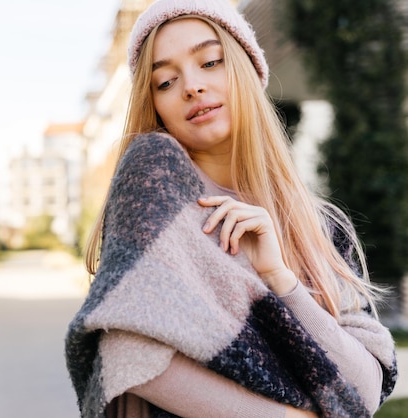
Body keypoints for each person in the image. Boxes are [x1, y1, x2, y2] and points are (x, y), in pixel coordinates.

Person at [65, 0, 397, 417]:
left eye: (211, 61)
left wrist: (281, 279)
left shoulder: (323, 226)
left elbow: (363, 393)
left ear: (247, 69)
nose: (191, 86)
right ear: (156, 107)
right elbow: (125, 354)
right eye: (165, 82)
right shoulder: (157, 192)